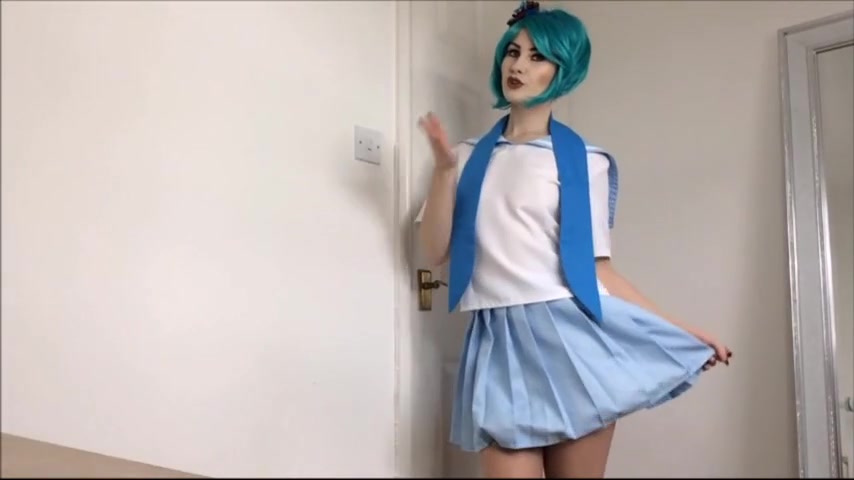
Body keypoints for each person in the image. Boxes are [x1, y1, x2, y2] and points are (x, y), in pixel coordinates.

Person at [415, 1, 733, 478]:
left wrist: (681, 329)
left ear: (563, 70)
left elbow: (599, 270)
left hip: (572, 341)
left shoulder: (586, 161)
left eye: (537, 57)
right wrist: (443, 171)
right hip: (498, 342)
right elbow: (434, 252)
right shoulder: (462, 157)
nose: (519, 66)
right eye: (513, 52)